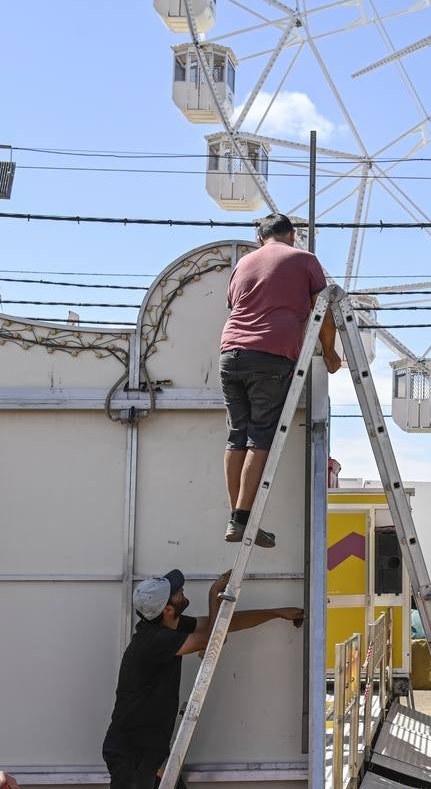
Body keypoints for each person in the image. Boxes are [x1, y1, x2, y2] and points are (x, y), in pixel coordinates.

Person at [102, 569, 304, 789]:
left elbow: (224, 624)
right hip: (134, 754)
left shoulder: (169, 626)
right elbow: (214, 639)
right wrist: (214, 592)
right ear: (168, 610)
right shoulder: (155, 641)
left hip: (149, 752)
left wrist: (277, 613)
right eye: (177, 592)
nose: (181, 590)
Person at [220, 214, 342, 547]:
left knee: (236, 437)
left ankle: (237, 517)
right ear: (291, 235)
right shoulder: (304, 260)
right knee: (260, 440)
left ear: (261, 238)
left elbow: (236, 305)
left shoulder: (244, 263)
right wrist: (329, 353)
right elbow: (325, 310)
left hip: (230, 355)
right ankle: (243, 518)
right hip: (270, 356)